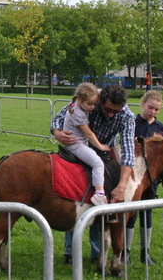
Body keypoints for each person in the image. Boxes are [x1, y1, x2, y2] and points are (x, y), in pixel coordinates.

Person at [51, 84, 135, 265]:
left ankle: (97, 254)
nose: (111, 114)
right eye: (107, 109)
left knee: (101, 198)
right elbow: (59, 117)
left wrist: (122, 185)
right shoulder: (88, 96)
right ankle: (70, 251)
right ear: (100, 100)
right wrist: (57, 133)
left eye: (116, 111)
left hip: (104, 153)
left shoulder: (127, 116)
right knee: (74, 195)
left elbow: (128, 151)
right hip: (77, 149)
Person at [125, 90, 163, 265]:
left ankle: (145, 252)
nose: (153, 112)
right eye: (150, 107)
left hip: (152, 179)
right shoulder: (133, 123)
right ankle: (126, 252)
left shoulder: (161, 128)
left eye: (157, 109)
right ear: (143, 103)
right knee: (131, 213)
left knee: (147, 213)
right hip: (133, 178)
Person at [62, 83, 111, 206]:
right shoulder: (77, 113)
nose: (93, 107)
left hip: (79, 143)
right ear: (79, 99)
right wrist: (100, 146)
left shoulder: (75, 105)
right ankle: (99, 194)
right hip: (76, 145)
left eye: (95, 104)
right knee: (98, 163)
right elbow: (88, 134)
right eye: (89, 104)